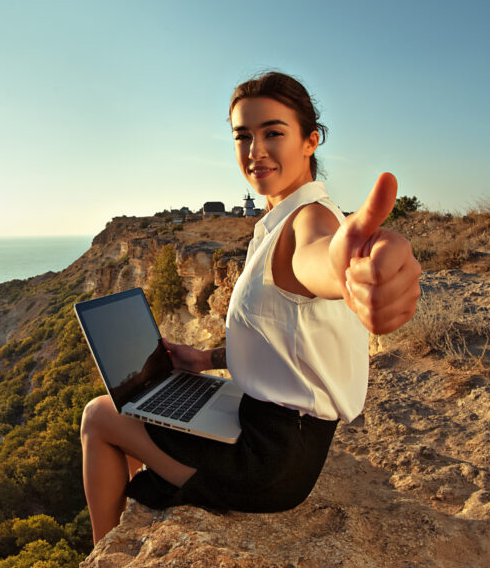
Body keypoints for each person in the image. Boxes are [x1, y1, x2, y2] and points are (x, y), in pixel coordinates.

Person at [79, 71, 422, 544]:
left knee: (99, 417)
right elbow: (283, 331)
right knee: (144, 408)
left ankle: (103, 558)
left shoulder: (310, 222)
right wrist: (209, 360)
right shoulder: (277, 223)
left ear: (310, 142)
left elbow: (321, 258)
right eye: (244, 137)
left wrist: (350, 268)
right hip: (276, 431)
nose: (255, 150)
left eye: (274, 133)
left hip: (268, 460)